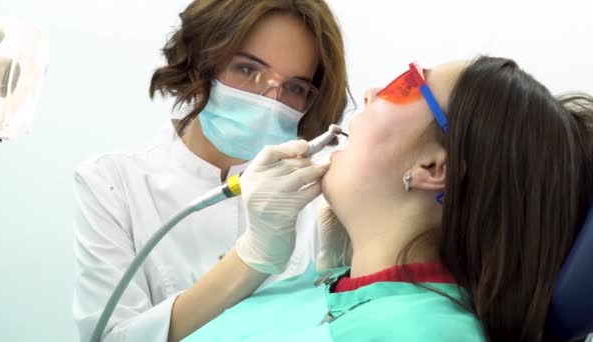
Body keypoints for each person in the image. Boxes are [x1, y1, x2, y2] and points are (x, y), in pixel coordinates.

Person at [179, 56, 593, 341]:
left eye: (405, 85)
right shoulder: (328, 284)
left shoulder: (428, 335)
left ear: (434, 167)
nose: (371, 91)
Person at [72, 0, 349, 341]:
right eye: (248, 70)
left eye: (294, 87)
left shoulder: (322, 186)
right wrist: (252, 258)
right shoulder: (112, 183)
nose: (270, 100)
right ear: (201, 62)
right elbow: (111, 337)